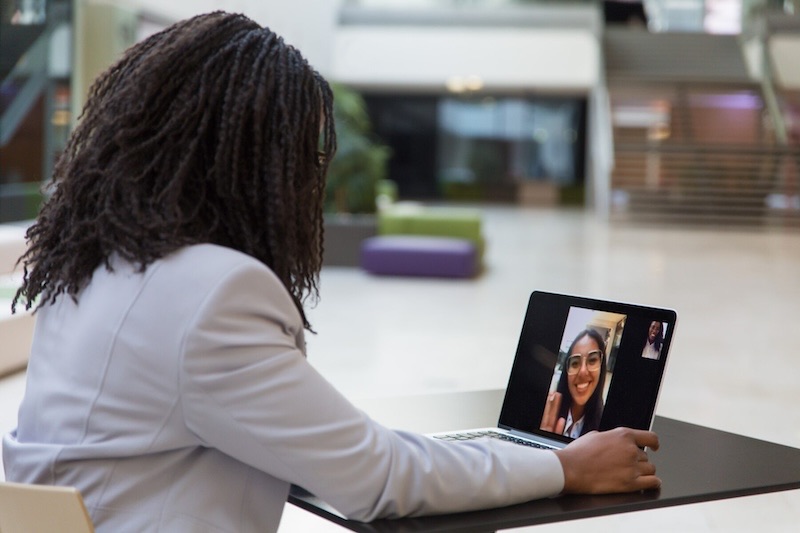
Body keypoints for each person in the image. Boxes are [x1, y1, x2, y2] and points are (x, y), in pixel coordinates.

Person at [2, 12, 660, 532]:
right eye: (302, 157)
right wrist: (563, 468)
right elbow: (374, 479)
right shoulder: (212, 290)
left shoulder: (94, 265)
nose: (310, 184)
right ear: (251, 164)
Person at [540, 329, 607, 438]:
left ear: (601, 368)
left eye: (592, 360)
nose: (582, 371)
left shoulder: (606, 431)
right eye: (575, 363)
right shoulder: (546, 414)